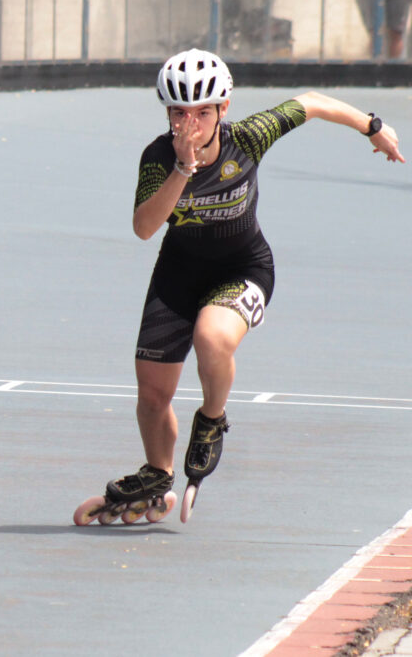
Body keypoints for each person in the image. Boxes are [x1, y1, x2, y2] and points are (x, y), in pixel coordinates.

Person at [75, 49, 403, 526]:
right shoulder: (158, 157)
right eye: (179, 113)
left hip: (243, 268)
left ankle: (211, 418)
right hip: (179, 274)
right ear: (167, 113)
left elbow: (310, 103)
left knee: (212, 337)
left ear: (222, 109)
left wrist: (373, 127)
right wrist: (182, 169)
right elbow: (145, 228)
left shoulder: (248, 138)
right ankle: (157, 471)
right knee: (152, 394)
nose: (190, 123)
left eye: (202, 112)